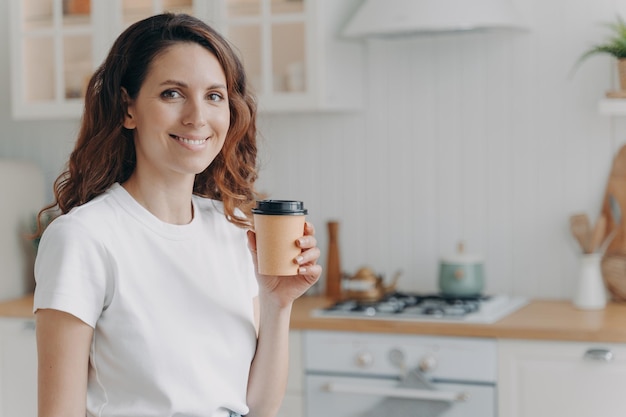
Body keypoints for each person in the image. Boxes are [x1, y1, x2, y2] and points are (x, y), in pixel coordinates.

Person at [33, 12, 321, 417]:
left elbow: (256, 409)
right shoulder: (84, 237)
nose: (197, 117)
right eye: (172, 93)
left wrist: (278, 303)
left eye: (214, 96)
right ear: (127, 108)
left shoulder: (233, 231)